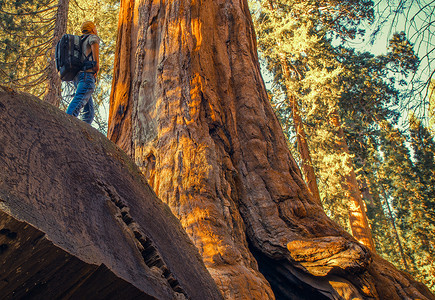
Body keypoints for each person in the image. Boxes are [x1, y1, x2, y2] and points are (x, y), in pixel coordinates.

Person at [66, 21, 100, 124]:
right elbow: (94, 43)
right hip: (87, 75)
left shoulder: (79, 41)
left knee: (89, 112)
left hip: (78, 77)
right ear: (93, 29)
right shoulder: (92, 37)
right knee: (79, 100)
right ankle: (66, 122)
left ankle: (83, 135)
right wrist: (96, 66)